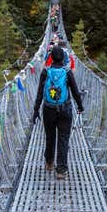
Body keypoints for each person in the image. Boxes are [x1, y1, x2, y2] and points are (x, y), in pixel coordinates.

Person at [32, 45, 84, 179]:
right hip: (64, 109)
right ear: (64, 58)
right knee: (63, 138)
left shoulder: (46, 72)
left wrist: (35, 110)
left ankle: (49, 162)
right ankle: (61, 170)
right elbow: (75, 91)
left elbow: (39, 93)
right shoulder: (67, 72)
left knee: (50, 136)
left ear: (51, 58)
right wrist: (80, 106)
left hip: (48, 109)